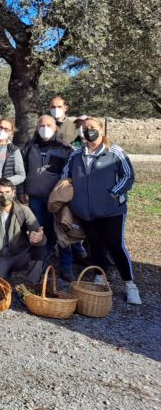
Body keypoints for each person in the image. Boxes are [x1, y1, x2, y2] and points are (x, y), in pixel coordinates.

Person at [62, 117, 141, 305]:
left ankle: (130, 285)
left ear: (101, 129)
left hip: (111, 210)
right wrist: (70, 193)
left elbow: (128, 175)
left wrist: (113, 193)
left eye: (92, 127)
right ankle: (100, 276)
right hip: (86, 212)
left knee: (115, 245)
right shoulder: (76, 155)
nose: (88, 131)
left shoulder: (114, 152)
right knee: (94, 245)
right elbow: (65, 175)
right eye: (84, 128)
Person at [20, 115, 75, 280]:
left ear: (56, 127)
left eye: (49, 125)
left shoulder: (66, 149)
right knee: (40, 232)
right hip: (35, 198)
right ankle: (39, 264)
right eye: (41, 125)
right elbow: (21, 170)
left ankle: (66, 267)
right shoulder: (29, 147)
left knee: (62, 232)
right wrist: (21, 191)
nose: (45, 128)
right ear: (37, 127)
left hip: (58, 201)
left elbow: (71, 175)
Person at [0, 178, 46, 284]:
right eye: (0, 192)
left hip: (17, 256)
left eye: (7, 192)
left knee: (39, 251)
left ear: (13, 193)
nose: (4, 196)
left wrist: (40, 238)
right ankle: (4, 276)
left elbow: (40, 235)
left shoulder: (24, 211)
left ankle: (30, 287)